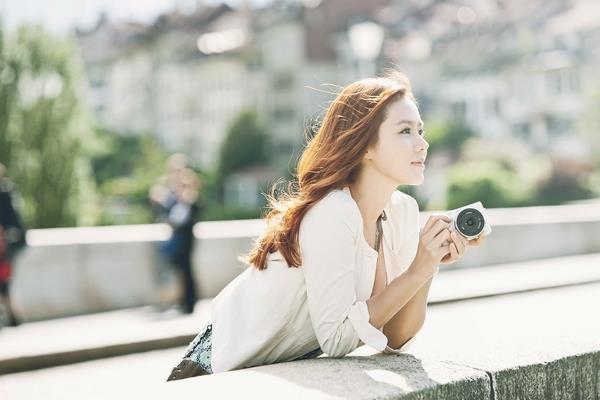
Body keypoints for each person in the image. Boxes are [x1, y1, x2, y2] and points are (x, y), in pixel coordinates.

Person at [167, 72, 486, 380]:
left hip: (270, 372)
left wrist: (427, 265)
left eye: (421, 130)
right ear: (365, 146)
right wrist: (415, 271)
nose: (422, 144)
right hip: (214, 369)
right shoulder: (333, 211)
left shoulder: (402, 211)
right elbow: (335, 339)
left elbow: (394, 338)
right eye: (405, 132)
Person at [150, 155, 202, 314]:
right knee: (184, 272)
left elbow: (180, 216)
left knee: (186, 271)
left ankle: (189, 303)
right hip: (182, 238)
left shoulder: (188, 193)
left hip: (184, 240)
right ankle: (185, 302)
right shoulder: (179, 193)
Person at [0, 163, 26, 327]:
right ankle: (12, 314)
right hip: (9, 241)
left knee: (3, 280)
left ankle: (12, 315)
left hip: (7, 242)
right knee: (4, 280)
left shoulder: (5, 193)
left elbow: (12, 223)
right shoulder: (9, 191)